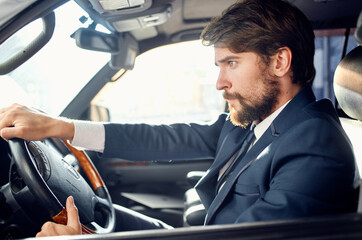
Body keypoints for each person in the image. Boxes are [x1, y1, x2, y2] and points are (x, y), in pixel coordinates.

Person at [0, 0, 357, 237]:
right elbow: (168, 137)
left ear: (279, 62)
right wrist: (62, 127)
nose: (220, 82)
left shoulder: (316, 146)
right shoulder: (258, 120)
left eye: (231, 63)